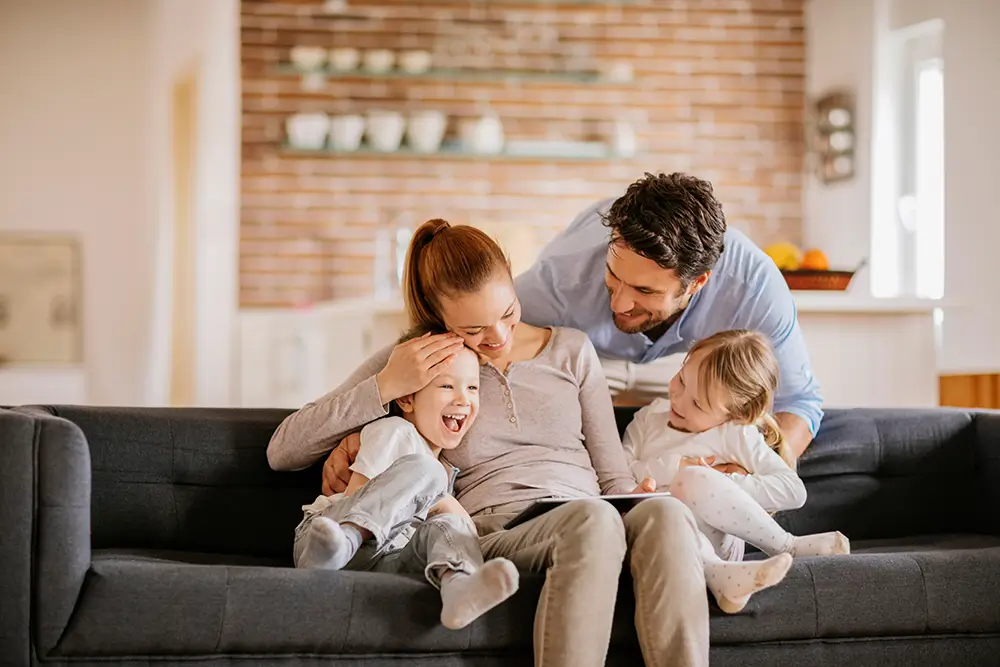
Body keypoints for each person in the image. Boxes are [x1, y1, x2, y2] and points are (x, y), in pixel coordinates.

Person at [268, 218, 712, 667]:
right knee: (593, 520)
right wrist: (384, 386)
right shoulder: (424, 365)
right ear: (441, 320)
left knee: (667, 514)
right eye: (474, 329)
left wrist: (644, 492)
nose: (498, 338)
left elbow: (611, 474)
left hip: (593, 510)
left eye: (507, 313)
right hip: (501, 530)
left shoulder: (573, 351)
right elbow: (282, 450)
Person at [514, 172, 823, 457]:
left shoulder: (752, 286)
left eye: (645, 291)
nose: (619, 304)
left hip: (684, 369)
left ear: (697, 283)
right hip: (588, 357)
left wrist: (747, 472)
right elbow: (482, 330)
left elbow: (798, 403)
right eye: (612, 275)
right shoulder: (560, 279)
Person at [292, 330, 520, 630]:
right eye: (447, 385)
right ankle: (344, 541)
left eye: (473, 387)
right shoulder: (394, 432)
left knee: (446, 526)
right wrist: (443, 499)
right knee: (432, 479)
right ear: (407, 398)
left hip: (383, 559)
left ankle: (458, 585)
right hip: (327, 537)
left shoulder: (442, 467)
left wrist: (448, 513)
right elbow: (357, 495)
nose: (463, 398)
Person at [623, 329, 850, 613]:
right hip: (659, 537)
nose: (678, 400)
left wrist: (719, 481)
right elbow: (618, 472)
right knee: (669, 505)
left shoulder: (735, 433)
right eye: (681, 380)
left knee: (691, 481)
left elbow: (793, 491)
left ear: (735, 414)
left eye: (697, 404)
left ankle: (785, 546)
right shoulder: (648, 418)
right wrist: (675, 467)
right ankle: (722, 579)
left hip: (718, 537)